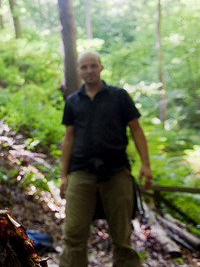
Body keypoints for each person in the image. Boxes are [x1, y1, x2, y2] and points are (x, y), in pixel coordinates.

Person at [59, 50, 153, 267]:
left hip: (117, 171)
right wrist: (64, 175)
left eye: (93, 65)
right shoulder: (73, 101)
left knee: (122, 237)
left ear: (101, 67)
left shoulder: (119, 96)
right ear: (79, 71)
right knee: (73, 235)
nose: (89, 70)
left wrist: (146, 165)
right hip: (81, 172)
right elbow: (69, 138)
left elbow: (136, 130)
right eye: (84, 67)